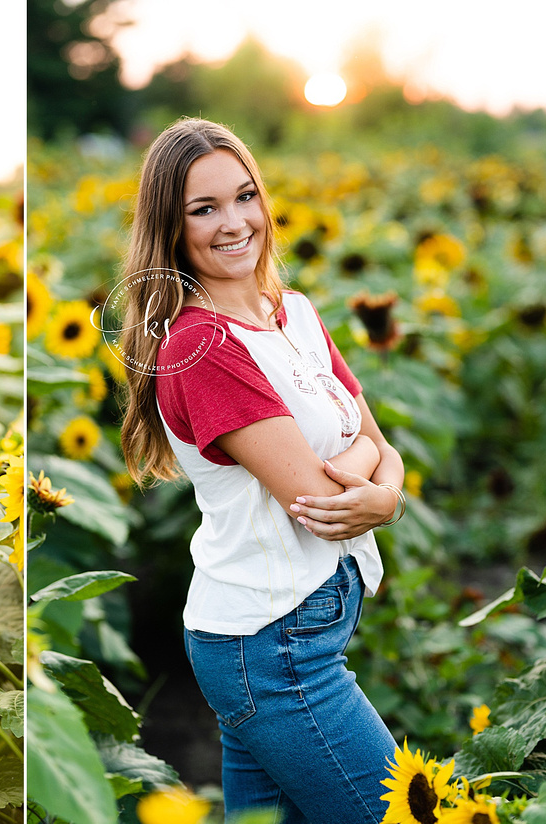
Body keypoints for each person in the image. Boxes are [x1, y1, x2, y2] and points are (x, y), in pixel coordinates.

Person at [117, 118, 403, 823]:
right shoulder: (202, 344)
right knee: (399, 812)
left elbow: (380, 445)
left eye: (245, 197)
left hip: (290, 630)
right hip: (272, 647)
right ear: (170, 229)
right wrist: (373, 478)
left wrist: (382, 490)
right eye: (204, 209)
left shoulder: (293, 314)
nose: (234, 222)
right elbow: (315, 499)